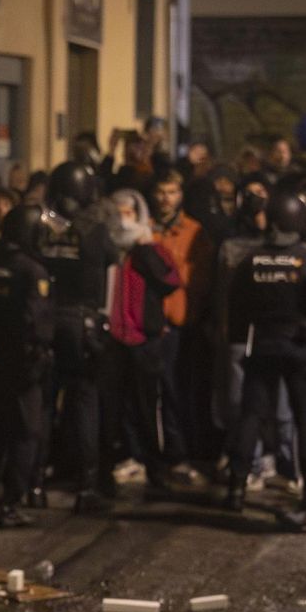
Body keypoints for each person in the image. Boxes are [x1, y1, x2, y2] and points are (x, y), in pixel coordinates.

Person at [222, 191, 306, 529]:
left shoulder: (252, 260)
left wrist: (240, 341)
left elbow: (237, 307)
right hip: (299, 347)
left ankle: (236, 487)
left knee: (251, 415)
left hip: (262, 344)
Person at [0, 203, 58, 527]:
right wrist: (36, 355)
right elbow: (35, 321)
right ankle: (10, 504)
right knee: (25, 433)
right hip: (22, 364)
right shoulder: (33, 272)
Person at [38, 161, 118, 511]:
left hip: (45, 320)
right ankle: (87, 486)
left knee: (42, 402)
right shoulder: (94, 230)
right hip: (81, 320)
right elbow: (112, 265)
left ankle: (33, 481)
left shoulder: (43, 228)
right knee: (85, 401)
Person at [103, 188, 183, 492]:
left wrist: (145, 248)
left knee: (147, 406)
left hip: (144, 338)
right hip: (113, 336)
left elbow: (170, 280)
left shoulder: (149, 248)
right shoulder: (107, 246)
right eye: (119, 213)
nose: (124, 219)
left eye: (130, 213)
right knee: (115, 406)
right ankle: (122, 458)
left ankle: (155, 465)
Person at [149, 170, 214, 478]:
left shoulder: (193, 232)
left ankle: (179, 451)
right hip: (150, 321)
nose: (166, 198)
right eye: (161, 191)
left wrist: (189, 312)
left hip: (180, 321)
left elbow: (198, 278)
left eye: (172, 192)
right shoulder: (147, 229)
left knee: (177, 389)